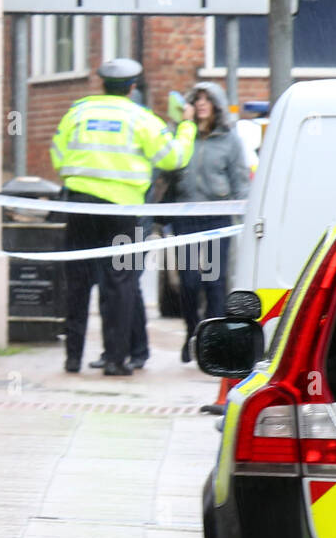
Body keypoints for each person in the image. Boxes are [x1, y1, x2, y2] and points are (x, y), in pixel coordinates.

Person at [51, 58, 195, 376]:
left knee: (77, 280)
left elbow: (57, 153)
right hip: (123, 212)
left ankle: (72, 358)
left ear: (101, 84)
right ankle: (115, 360)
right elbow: (173, 159)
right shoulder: (141, 118)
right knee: (120, 284)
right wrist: (187, 127)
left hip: (81, 206)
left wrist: (77, 178)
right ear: (132, 87)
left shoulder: (78, 112)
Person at [176, 83, 250, 362]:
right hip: (185, 216)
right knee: (188, 282)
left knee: (214, 281)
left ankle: (212, 343)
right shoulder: (183, 134)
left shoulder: (230, 140)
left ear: (217, 105)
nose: (202, 104)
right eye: (197, 99)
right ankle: (190, 331)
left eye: (208, 99)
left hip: (217, 216)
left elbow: (240, 178)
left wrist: (243, 214)